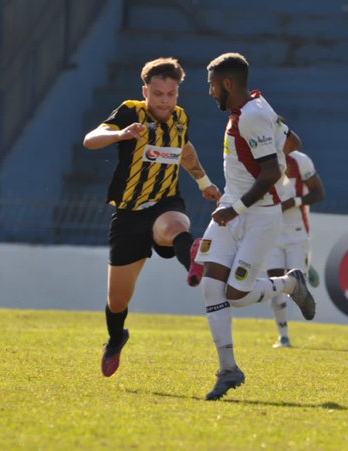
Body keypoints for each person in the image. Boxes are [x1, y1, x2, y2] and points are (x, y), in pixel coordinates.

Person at [82, 57, 220, 378]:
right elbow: (91, 140)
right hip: (129, 215)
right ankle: (117, 339)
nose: (164, 100)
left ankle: (194, 265)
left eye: (171, 94)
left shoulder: (181, 118)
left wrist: (203, 182)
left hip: (165, 203)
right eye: (157, 93)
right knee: (117, 301)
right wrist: (120, 135)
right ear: (145, 91)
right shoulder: (131, 112)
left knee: (173, 227)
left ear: (177, 94)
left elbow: (184, 149)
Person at [193, 52, 316, 401]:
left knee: (238, 295)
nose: (210, 91)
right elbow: (293, 143)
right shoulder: (258, 106)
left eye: (212, 84)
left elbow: (273, 172)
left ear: (228, 84)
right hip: (233, 207)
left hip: (258, 216)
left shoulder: (251, 116)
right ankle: (228, 370)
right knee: (211, 286)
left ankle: (290, 283)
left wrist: (237, 208)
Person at [267, 150, 326, 348]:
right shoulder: (261, 157)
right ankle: (283, 336)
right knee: (275, 285)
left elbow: (319, 193)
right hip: (271, 232)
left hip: (297, 232)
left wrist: (295, 202)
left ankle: (307, 268)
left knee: (297, 285)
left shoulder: (301, 160)